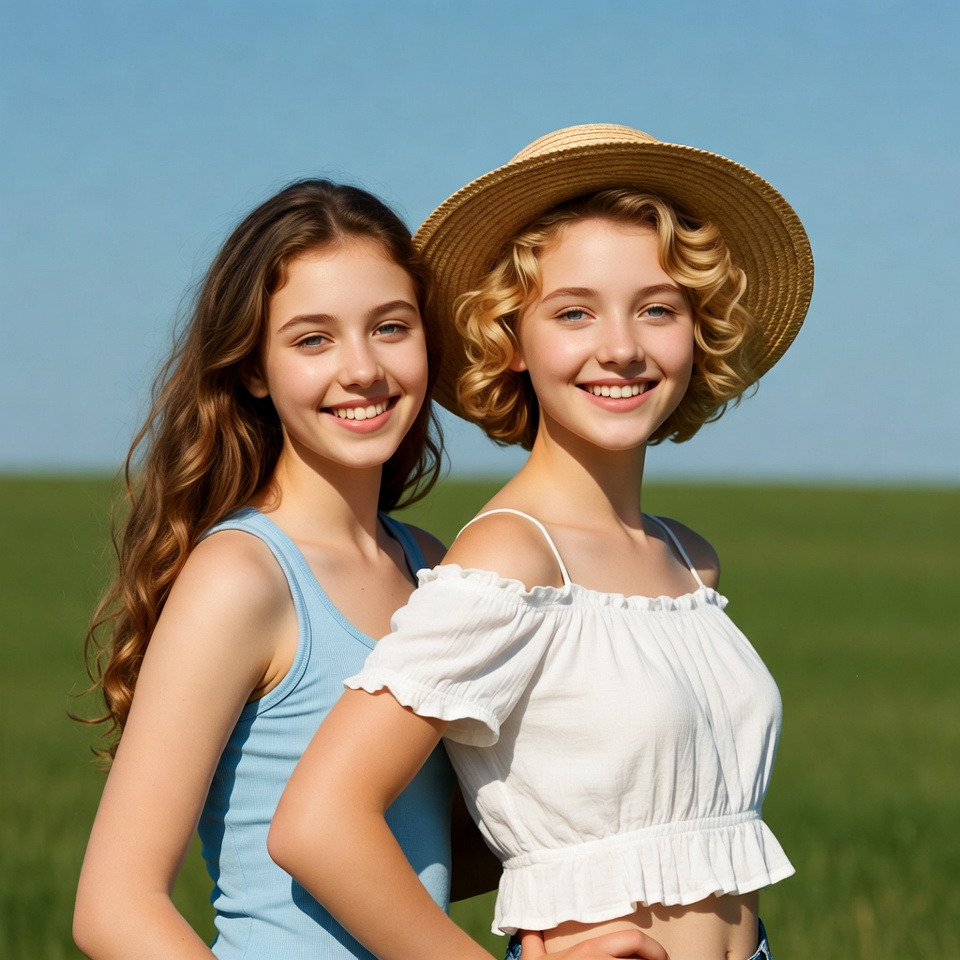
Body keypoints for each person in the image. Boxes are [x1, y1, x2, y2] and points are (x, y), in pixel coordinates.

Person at [268, 125, 814, 960]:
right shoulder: (509, 562)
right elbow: (318, 822)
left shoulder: (688, 557)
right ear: (510, 339)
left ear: (696, 332)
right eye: (574, 313)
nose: (622, 347)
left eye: (658, 309)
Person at [73, 179, 495, 958]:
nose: (362, 368)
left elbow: (432, 852)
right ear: (255, 370)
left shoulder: (433, 566)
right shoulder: (244, 577)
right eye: (313, 339)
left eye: (390, 327)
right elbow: (114, 905)